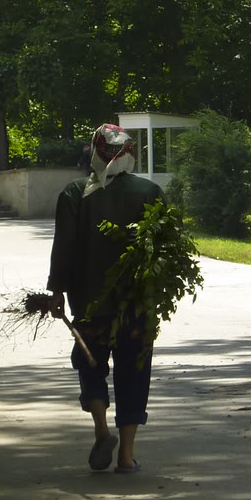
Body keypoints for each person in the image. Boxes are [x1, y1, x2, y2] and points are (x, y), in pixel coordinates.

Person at [47, 123, 165, 472]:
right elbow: (164, 249)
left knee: (90, 364)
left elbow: (63, 249)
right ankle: (127, 457)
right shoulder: (150, 192)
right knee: (135, 372)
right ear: (129, 153)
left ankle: (101, 429)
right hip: (137, 305)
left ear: (95, 153)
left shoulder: (74, 193)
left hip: (89, 303)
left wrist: (57, 292)